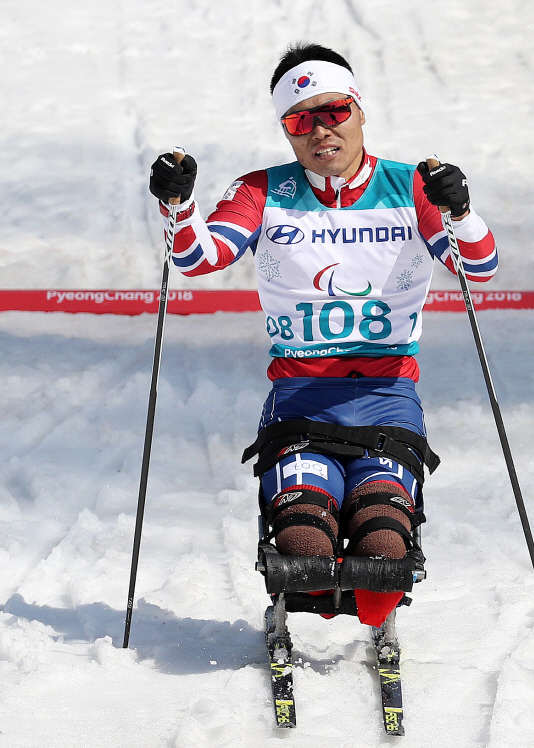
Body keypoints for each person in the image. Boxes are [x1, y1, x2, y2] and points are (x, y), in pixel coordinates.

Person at [149, 42, 498, 628]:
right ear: (287, 131)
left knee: (385, 555)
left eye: (333, 111)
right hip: (301, 403)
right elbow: (198, 257)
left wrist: (460, 212)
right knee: (304, 552)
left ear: (359, 109)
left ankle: (373, 606)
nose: (321, 131)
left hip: (387, 401)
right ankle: (309, 597)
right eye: (300, 120)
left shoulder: (411, 187)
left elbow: (479, 267)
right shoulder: (262, 191)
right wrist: (177, 205)